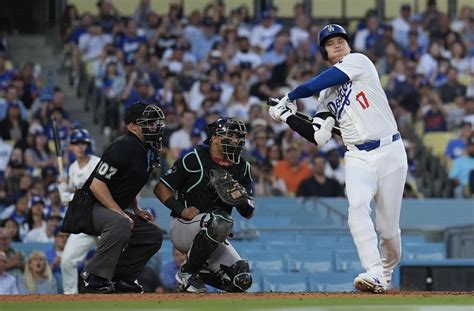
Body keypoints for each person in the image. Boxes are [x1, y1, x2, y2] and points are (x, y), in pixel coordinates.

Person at [268, 24, 408, 293]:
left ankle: (386, 271)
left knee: (388, 230)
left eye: (340, 39)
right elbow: (319, 137)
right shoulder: (325, 97)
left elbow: (313, 84)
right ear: (323, 51)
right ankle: (374, 271)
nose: (337, 44)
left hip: (390, 150)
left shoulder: (359, 61)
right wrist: (287, 117)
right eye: (330, 42)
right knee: (356, 208)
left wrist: (289, 97)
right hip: (357, 155)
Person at [154, 117, 254, 293]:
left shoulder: (242, 166)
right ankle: (186, 273)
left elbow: (248, 213)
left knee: (241, 279)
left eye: (239, 137)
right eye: (231, 135)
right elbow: (161, 188)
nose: (236, 140)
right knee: (220, 220)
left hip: (216, 234)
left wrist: (240, 198)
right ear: (215, 137)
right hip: (184, 227)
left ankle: (195, 275)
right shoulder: (194, 158)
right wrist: (181, 209)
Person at [76, 102, 165, 294]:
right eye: (148, 123)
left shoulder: (147, 150)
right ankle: (93, 278)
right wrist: (120, 213)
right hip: (88, 208)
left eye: (155, 122)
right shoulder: (121, 147)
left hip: (108, 210)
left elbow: (130, 183)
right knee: (120, 222)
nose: (154, 126)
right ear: (132, 126)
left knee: (152, 235)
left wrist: (137, 209)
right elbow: (97, 185)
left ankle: (122, 278)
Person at [58, 128, 101, 294]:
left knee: (116, 261)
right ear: (71, 146)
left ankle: (123, 295)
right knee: (67, 260)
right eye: (76, 143)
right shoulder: (72, 168)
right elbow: (71, 190)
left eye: (83, 143)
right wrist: (63, 187)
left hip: (100, 218)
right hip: (83, 223)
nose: (80, 146)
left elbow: (94, 193)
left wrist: (68, 197)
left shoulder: (97, 163)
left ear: (88, 144)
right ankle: (70, 297)